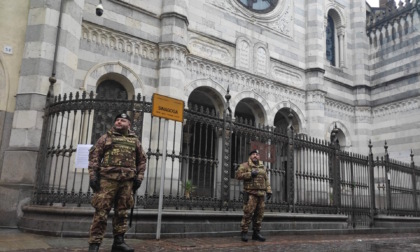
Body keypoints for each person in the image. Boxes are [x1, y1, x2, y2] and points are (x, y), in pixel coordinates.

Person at [88, 113, 147, 252]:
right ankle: (94, 245)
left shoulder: (135, 141)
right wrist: (93, 176)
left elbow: (142, 160)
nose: (119, 122)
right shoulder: (106, 137)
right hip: (107, 180)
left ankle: (119, 242)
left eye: (123, 120)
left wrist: (139, 178)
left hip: (127, 182)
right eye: (117, 120)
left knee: (122, 212)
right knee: (101, 212)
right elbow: (94, 157)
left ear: (129, 124)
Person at [235, 149, 272, 242]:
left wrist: (269, 190)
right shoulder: (245, 165)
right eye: (253, 154)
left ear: (259, 156)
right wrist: (250, 174)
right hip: (250, 193)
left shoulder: (262, 167)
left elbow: (266, 179)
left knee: (259, 215)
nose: (255, 156)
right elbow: (238, 176)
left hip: (261, 195)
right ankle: (244, 232)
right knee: (248, 213)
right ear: (250, 156)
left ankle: (256, 233)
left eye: (257, 154)